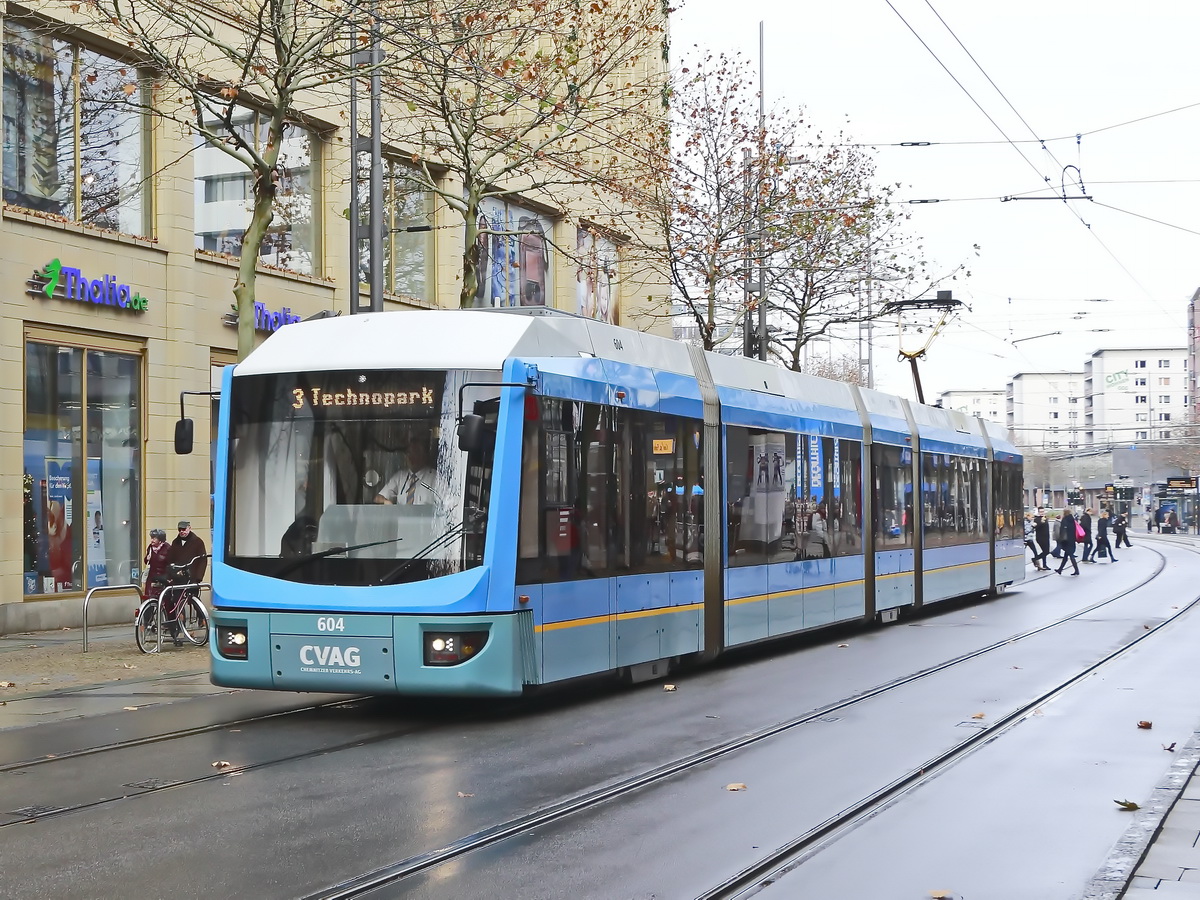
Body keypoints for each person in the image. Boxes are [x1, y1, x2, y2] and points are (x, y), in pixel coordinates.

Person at [166, 521, 208, 646]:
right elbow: (170, 559)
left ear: (189, 528)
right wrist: (171, 573)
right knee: (178, 601)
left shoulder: (198, 542)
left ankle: (201, 617)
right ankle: (180, 626)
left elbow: (202, 560)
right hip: (179, 578)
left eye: (184, 529)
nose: (182, 532)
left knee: (193, 599)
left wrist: (199, 577)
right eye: (179, 530)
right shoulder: (175, 542)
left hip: (192, 576)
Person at [376, 435, 436, 505]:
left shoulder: (435, 478)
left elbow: (448, 504)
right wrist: (385, 501)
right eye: (409, 452)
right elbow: (378, 498)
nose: (411, 456)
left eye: (416, 452)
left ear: (425, 455)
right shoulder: (400, 476)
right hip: (401, 515)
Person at [142, 528, 170, 599]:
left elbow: (171, 563)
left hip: (163, 578)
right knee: (149, 598)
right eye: (151, 538)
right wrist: (146, 558)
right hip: (152, 577)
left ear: (160, 540)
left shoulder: (167, 548)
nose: (152, 540)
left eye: (154, 538)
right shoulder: (150, 548)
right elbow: (147, 562)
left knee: (165, 599)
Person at [1055, 507, 1080, 576]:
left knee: (1071, 556)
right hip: (1072, 539)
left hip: (1066, 540)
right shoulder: (1072, 519)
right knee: (1066, 556)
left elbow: (1063, 531)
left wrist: (1060, 539)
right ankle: (1060, 569)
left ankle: (1077, 570)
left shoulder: (1065, 520)